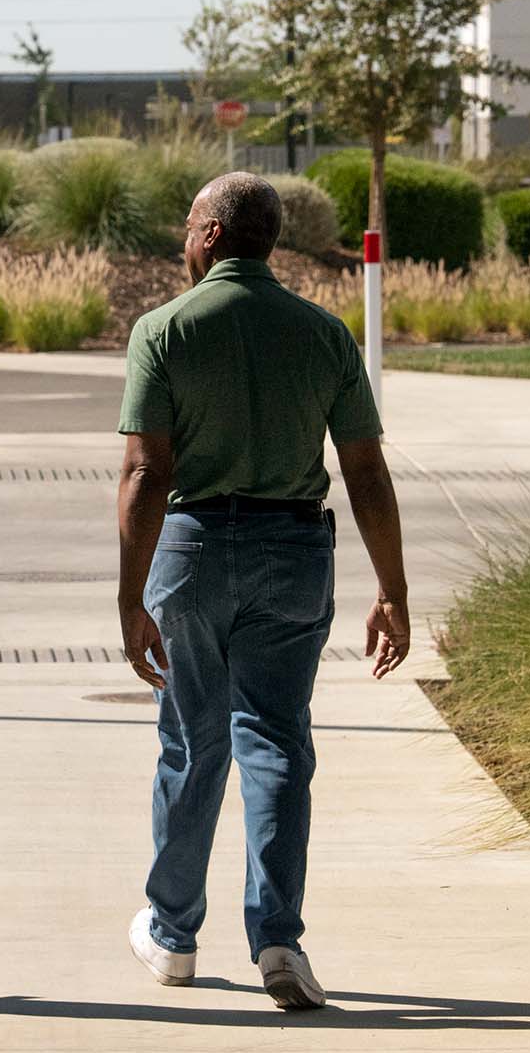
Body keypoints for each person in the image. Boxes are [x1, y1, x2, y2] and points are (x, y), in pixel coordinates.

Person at [114, 171, 411, 1011]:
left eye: (186, 226)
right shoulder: (323, 333)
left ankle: (172, 935)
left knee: (190, 740)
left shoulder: (162, 331)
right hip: (292, 550)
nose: (182, 239)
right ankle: (278, 938)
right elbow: (366, 469)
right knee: (277, 744)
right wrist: (392, 588)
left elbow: (144, 470)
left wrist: (130, 595)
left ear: (209, 233)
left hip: (194, 550)